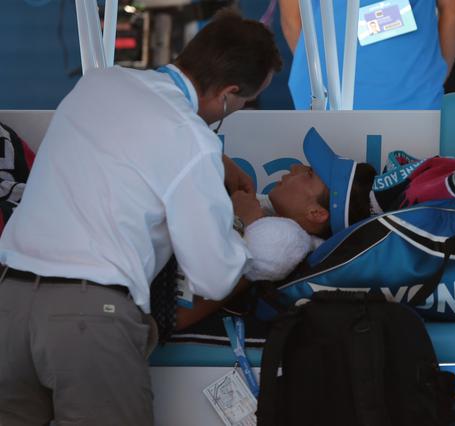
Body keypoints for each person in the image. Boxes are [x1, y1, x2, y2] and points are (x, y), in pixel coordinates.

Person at [0, 11, 281, 426]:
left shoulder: (99, 83)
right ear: (228, 94)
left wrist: (215, 162)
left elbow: (139, 132)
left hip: (10, 303)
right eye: (242, 103)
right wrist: (243, 221)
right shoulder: (194, 143)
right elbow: (214, 275)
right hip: (88, 320)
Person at [175, 128, 377, 329]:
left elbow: (180, 316)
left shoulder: (275, 247)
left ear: (316, 213)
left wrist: (239, 220)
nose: (295, 166)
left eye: (308, 173)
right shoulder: (266, 220)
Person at [280, 0, 455, 110]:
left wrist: (320, 69)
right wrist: (432, 74)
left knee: (329, 175)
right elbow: (454, 12)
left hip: (323, 92)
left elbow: (292, 21)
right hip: (411, 85)